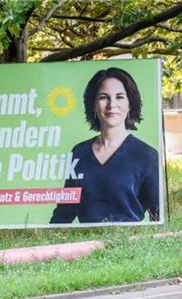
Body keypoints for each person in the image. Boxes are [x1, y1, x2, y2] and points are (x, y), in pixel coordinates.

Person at [51, 67, 160, 223]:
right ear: (94, 105)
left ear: (130, 104)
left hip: (128, 243)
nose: (111, 104)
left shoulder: (147, 155)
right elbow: (64, 212)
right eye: (103, 97)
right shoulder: (79, 153)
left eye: (119, 97)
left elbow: (157, 214)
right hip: (84, 243)